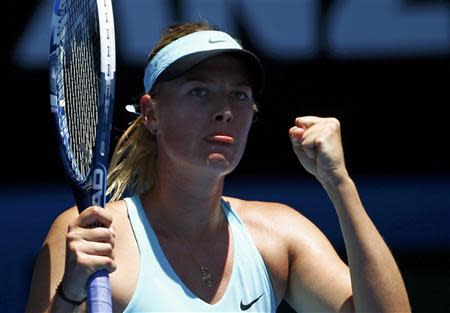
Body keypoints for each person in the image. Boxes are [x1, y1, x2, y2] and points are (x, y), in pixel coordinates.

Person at [25, 22, 410, 313]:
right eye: (199, 91)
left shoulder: (279, 235)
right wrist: (71, 293)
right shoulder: (88, 234)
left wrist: (339, 183)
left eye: (239, 95)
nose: (224, 111)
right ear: (151, 113)